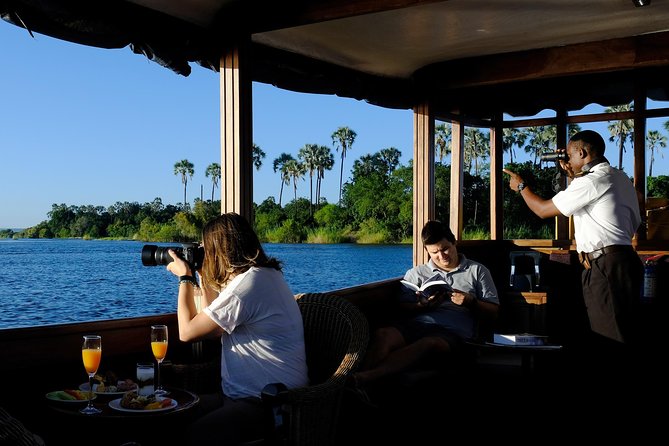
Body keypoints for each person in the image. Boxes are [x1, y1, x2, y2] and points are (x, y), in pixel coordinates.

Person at [166, 212, 308, 446]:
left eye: (207, 249)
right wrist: (202, 274)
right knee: (171, 413)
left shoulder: (248, 287)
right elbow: (213, 326)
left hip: (269, 403)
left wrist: (185, 277)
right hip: (242, 396)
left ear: (219, 251)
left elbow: (187, 332)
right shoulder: (264, 276)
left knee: (191, 437)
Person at [503, 129, 643, 348]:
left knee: (609, 338)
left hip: (604, 266)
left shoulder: (592, 181)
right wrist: (573, 176)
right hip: (623, 262)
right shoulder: (619, 177)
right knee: (623, 330)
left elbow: (542, 210)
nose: (566, 158)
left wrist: (522, 187)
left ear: (583, 153)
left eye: (569, 154)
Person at [350, 220, 499, 388]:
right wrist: (420, 306)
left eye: (445, 249)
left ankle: (363, 379)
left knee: (429, 343)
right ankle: (358, 384)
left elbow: (493, 312)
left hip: (454, 334)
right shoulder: (417, 273)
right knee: (383, 334)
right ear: (427, 251)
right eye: (434, 252)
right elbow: (401, 307)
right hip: (417, 324)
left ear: (454, 242)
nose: (442, 256)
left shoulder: (477, 271)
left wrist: (471, 302)